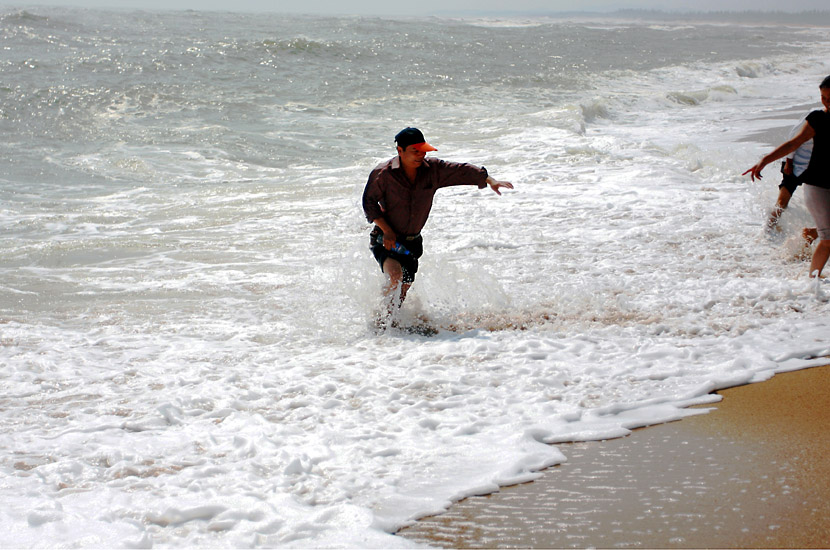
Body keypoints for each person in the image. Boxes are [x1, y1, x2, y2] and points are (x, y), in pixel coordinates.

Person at [362, 127, 513, 323]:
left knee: (404, 287)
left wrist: (490, 180)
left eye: (423, 150)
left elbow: (461, 171)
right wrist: (387, 230)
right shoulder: (383, 174)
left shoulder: (433, 170)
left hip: (413, 242)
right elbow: (369, 203)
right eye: (415, 151)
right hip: (386, 238)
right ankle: (381, 324)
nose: (420, 155)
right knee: (395, 277)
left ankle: (394, 323)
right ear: (400, 151)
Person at [744, 75, 830, 278]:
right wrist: (764, 160)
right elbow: (793, 142)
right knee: (828, 238)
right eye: (823, 97)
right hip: (816, 183)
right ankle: (813, 282)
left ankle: (811, 233)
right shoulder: (817, 118)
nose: (826, 102)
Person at [766, 111, 819, 243]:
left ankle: (814, 232)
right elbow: (793, 138)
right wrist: (789, 161)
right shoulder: (816, 116)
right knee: (782, 202)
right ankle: (768, 231)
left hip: (814, 166)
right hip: (794, 163)